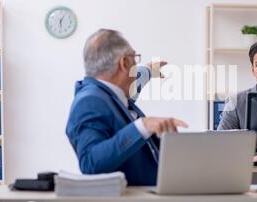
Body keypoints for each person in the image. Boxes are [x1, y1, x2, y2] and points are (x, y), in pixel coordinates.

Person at [66, 29, 188, 185]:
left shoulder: (112, 94)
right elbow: (91, 164)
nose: (136, 66)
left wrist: (149, 71)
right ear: (124, 63)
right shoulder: (90, 101)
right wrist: (143, 126)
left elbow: (135, 84)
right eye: (134, 59)